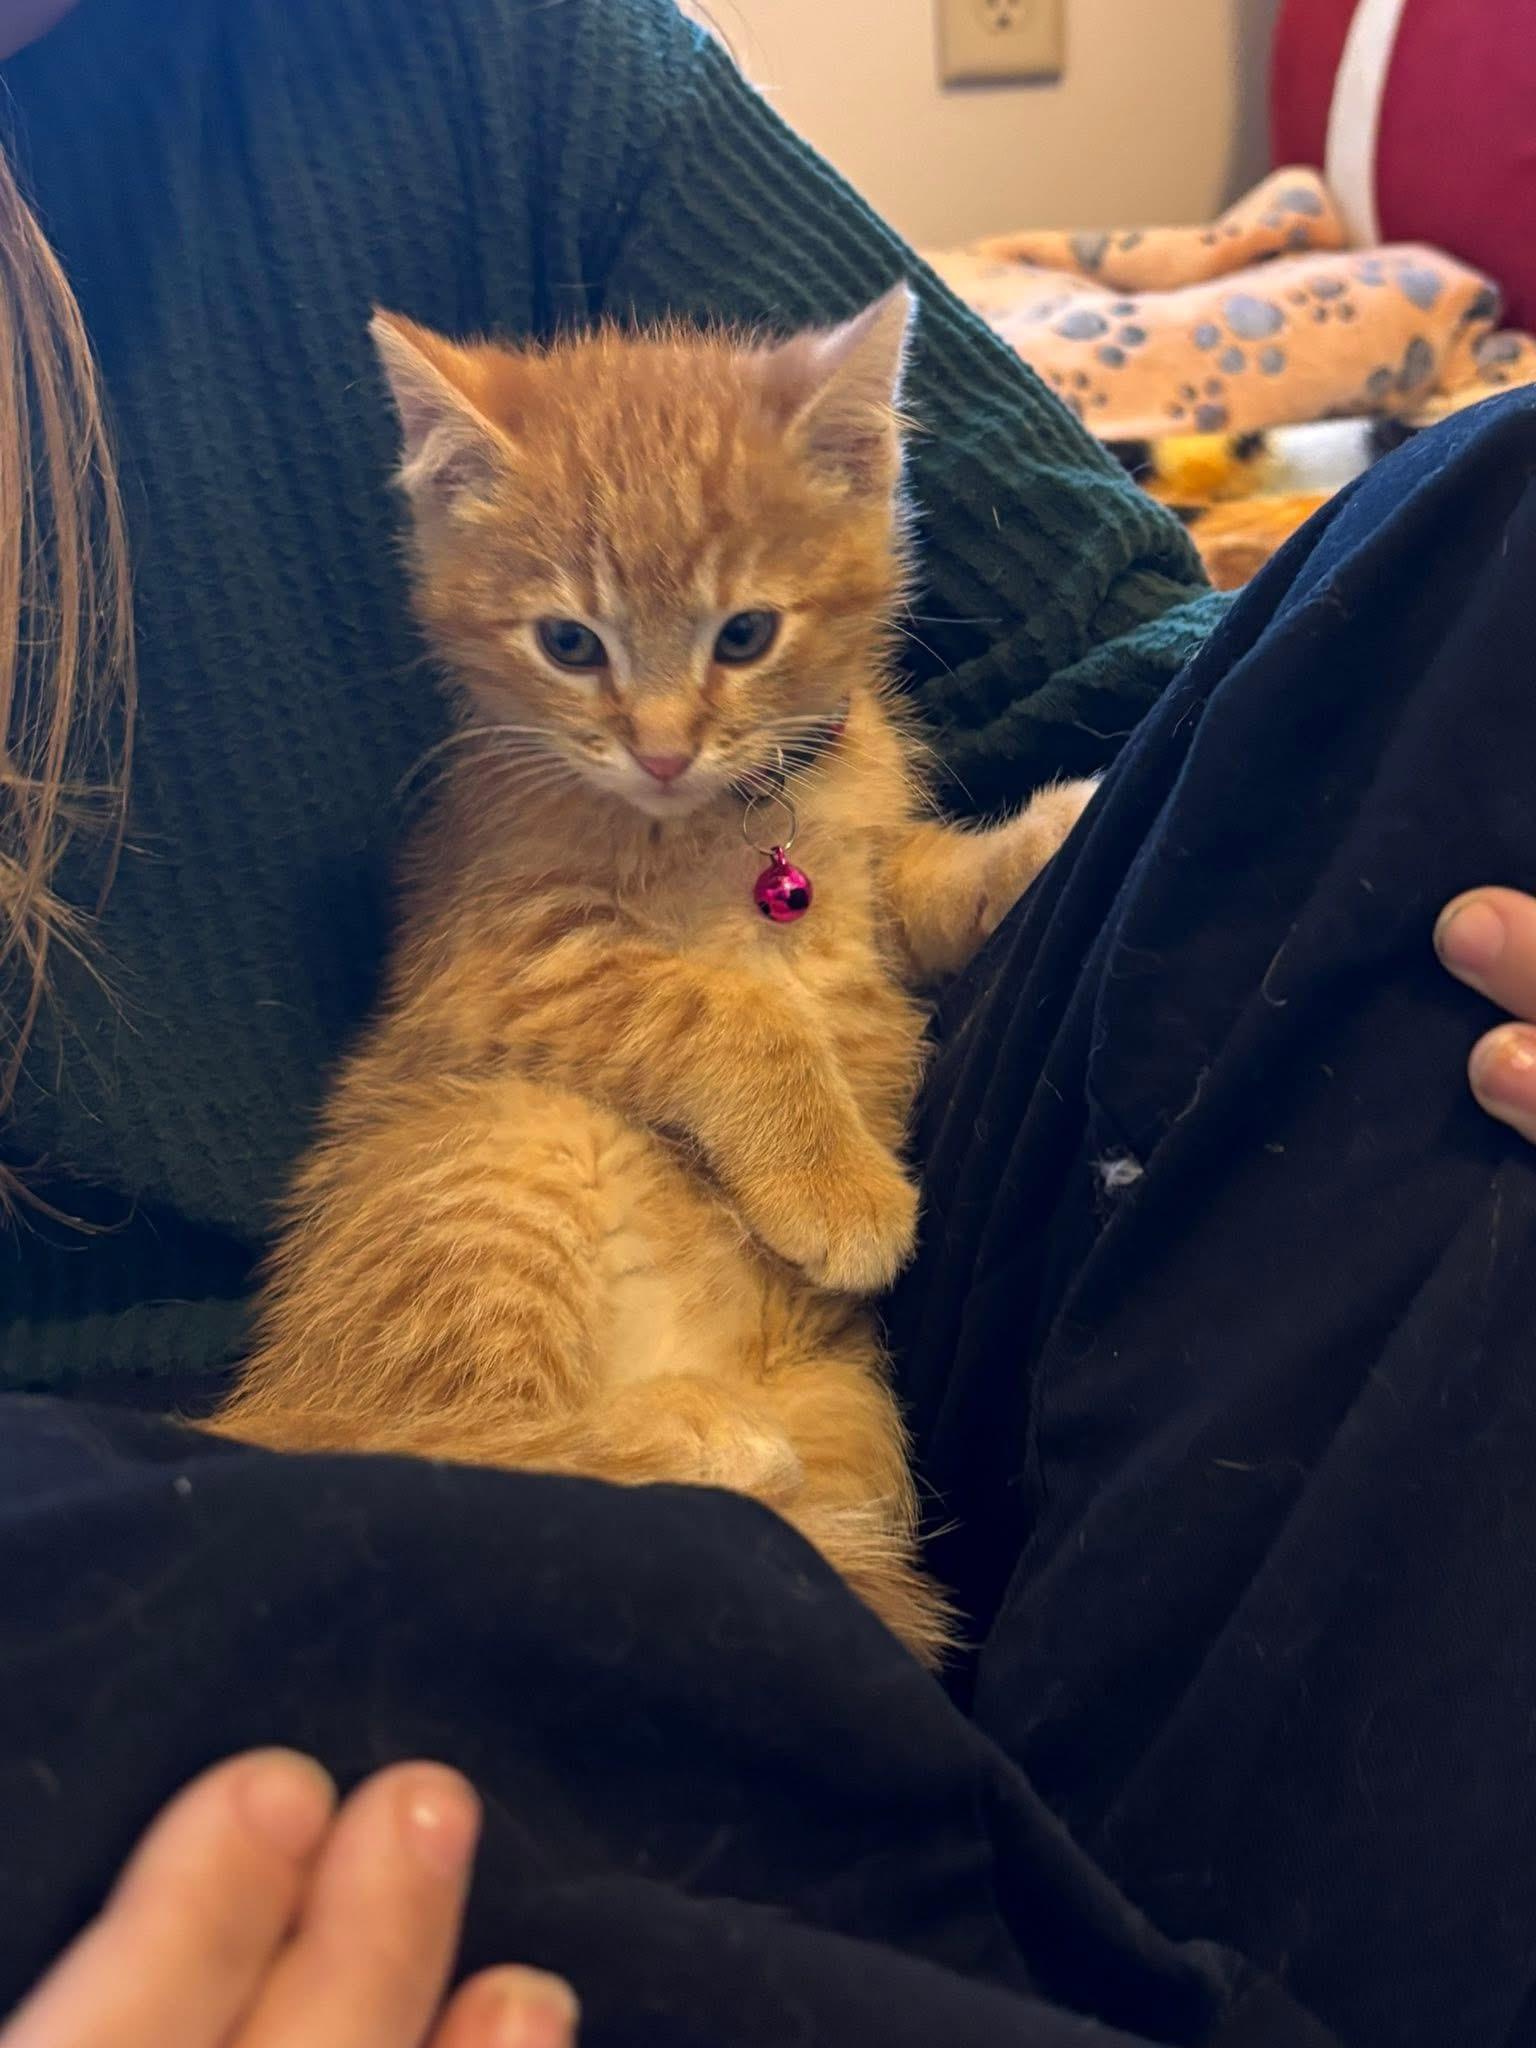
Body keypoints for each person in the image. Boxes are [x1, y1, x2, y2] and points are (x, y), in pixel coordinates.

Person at [4, 0, 1536, 2042]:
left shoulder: (485, 55)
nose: (658, 741)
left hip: (837, 1272)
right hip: (221, 1468)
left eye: (723, 648)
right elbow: (507, 987)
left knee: (1490, 533)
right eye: (578, 653)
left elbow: (1128, 695)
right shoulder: (524, 803)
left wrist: (1376, 810)